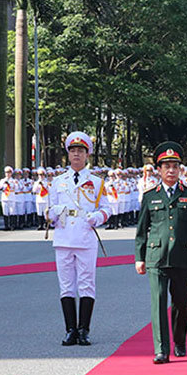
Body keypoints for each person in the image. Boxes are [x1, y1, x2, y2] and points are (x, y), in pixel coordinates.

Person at [134, 142, 187, 364]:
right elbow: (141, 230)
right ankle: (161, 349)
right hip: (156, 257)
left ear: (180, 169)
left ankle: (180, 340)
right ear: (159, 170)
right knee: (158, 301)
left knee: (182, 302)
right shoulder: (150, 196)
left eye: (175, 166)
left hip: (183, 257)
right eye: (166, 167)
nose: (171, 170)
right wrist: (140, 257)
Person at [47, 131, 110, 346]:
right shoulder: (57, 182)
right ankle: (70, 330)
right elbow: (47, 212)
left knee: (86, 284)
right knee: (66, 286)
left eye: (80, 151)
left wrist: (97, 217)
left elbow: (107, 209)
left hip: (85, 236)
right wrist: (53, 212)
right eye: (73, 151)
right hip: (63, 237)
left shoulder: (97, 182)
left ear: (87, 154)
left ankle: (84, 329)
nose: (76, 154)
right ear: (68, 154)